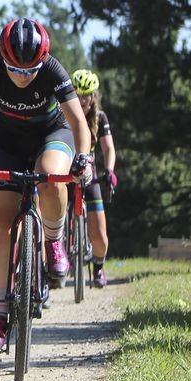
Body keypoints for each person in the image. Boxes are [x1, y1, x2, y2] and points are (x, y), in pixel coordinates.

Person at [0, 18, 93, 354]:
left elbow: (79, 123)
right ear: (2, 59)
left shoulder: (52, 69)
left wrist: (84, 158)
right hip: (7, 140)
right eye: (14, 70)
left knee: (50, 177)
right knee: (3, 224)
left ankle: (53, 239)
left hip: (52, 134)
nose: (22, 76)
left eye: (30, 70)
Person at [71, 69, 117, 287]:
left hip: (90, 175)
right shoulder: (65, 113)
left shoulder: (99, 117)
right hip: (66, 172)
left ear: (93, 96)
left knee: (99, 233)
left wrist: (109, 170)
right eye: (77, 94)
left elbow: (108, 148)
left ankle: (98, 268)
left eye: (86, 95)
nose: (81, 100)